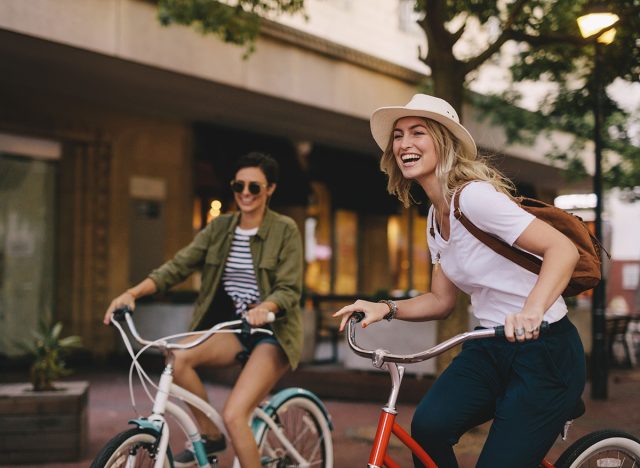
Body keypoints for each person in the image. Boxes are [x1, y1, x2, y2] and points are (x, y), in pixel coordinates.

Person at [334, 94, 586, 467]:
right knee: (429, 427)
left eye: (418, 132)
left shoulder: (475, 198)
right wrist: (384, 308)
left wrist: (532, 311)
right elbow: (441, 300)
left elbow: (563, 250)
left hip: (544, 348)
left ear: (443, 142)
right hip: (489, 346)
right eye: (399, 136)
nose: (404, 143)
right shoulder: (436, 219)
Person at [103, 152, 304, 468]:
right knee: (177, 357)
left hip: (271, 332)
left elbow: (289, 288)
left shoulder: (285, 229)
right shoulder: (220, 228)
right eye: (240, 185)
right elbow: (177, 267)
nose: (246, 193)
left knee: (236, 414)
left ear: (271, 189)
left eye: (255, 186)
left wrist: (266, 307)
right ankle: (210, 435)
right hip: (235, 329)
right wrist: (131, 293)